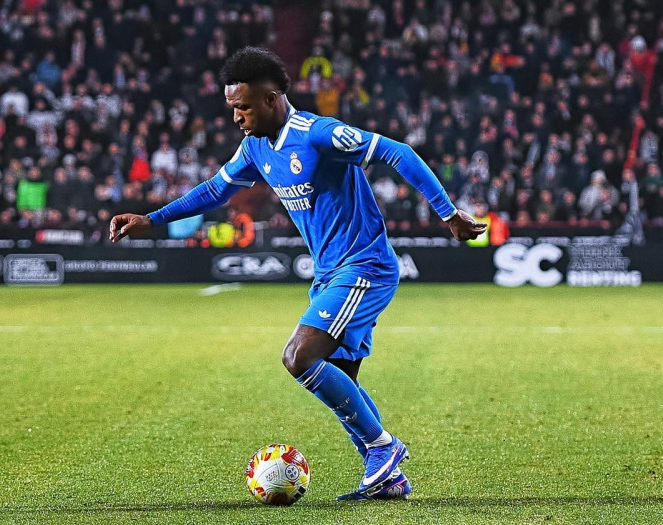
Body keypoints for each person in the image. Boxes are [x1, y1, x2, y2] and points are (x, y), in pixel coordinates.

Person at [110, 48, 484, 500]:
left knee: (299, 357)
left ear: (271, 99)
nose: (237, 118)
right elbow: (215, 190)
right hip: (330, 275)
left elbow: (395, 151)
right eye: (232, 108)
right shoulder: (256, 147)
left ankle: (383, 449)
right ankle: (386, 476)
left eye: (243, 107)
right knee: (344, 378)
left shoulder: (317, 133)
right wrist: (152, 218)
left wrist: (448, 212)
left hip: (363, 267)